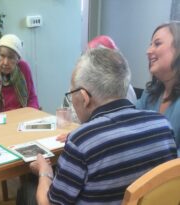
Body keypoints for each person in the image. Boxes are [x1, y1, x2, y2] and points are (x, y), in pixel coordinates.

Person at [17, 48, 177, 205]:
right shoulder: (162, 126)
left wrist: (45, 172)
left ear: (84, 97)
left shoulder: (81, 141)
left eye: (71, 94)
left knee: (28, 190)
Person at [136, 21, 180, 155]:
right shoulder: (150, 94)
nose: (148, 51)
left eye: (157, 43)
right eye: (150, 45)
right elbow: (130, 128)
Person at [0, 34, 39, 115]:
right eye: (2, 56)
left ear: (18, 59)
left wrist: (31, 113)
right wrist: (4, 117)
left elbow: (32, 98)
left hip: (22, 118)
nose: (5, 62)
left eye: (11, 57)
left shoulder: (23, 68)